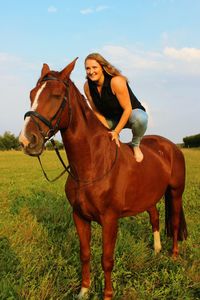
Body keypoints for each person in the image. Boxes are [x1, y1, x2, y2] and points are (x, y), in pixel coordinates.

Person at [84, 53, 148, 162]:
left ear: (103, 67)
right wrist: (108, 132)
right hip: (110, 120)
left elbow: (127, 109)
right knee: (89, 128)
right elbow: (96, 112)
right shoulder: (87, 87)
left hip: (130, 115)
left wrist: (116, 132)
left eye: (94, 67)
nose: (91, 71)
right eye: (87, 68)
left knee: (141, 118)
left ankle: (135, 145)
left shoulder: (116, 81)